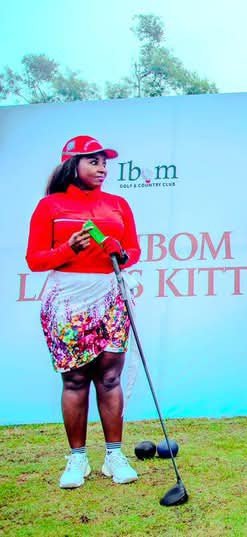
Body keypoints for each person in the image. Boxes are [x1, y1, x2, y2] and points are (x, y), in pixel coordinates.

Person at [25, 135, 141, 489]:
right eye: (93, 161)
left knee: (109, 378)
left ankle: (114, 455)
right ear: (71, 164)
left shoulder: (118, 204)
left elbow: (133, 251)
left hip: (110, 294)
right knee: (75, 379)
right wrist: (68, 249)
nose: (102, 168)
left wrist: (120, 252)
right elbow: (35, 260)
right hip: (67, 298)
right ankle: (77, 458)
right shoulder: (50, 206)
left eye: (104, 162)